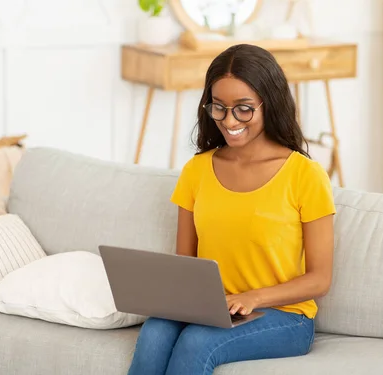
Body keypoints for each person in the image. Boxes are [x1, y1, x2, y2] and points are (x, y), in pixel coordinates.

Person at [128, 44, 336, 375]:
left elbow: (320, 279)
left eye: (243, 109)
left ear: (271, 103)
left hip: (284, 315)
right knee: (155, 331)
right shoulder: (197, 170)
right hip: (212, 308)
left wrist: (253, 298)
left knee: (197, 341)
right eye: (219, 108)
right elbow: (185, 265)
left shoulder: (305, 175)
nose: (229, 120)